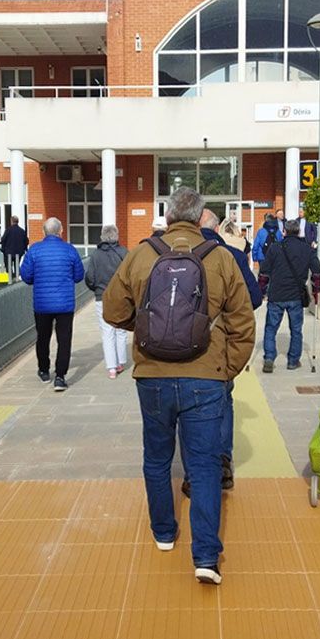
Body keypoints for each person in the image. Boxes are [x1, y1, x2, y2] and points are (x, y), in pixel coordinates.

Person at [103, 187, 254, 586]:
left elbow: (113, 310)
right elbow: (243, 323)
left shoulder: (140, 254)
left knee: (156, 458)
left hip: (152, 377)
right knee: (203, 465)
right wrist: (226, 370)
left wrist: (148, 329)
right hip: (206, 378)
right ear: (203, 217)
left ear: (168, 216)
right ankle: (205, 556)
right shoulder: (220, 258)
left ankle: (164, 533)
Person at [196, 209, 261, 495]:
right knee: (223, 402)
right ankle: (222, 461)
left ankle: (194, 469)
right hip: (220, 350)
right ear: (216, 228)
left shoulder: (172, 254)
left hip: (180, 349)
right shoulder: (231, 256)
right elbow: (255, 298)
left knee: (190, 409)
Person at [20, 217, 84, 392]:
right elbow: (79, 276)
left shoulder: (34, 251)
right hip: (64, 304)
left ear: (43, 231)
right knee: (64, 340)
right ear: (61, 230)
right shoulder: (70, 250)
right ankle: (60, 377)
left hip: (42, 304)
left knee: (43, 337)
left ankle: (43, 370)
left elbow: (26, 276)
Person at [258, 219, 320, 372]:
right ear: (299, 231)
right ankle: (293, 361)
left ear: (284, 231)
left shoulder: (274, 248)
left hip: (276, 294)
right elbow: (317, 272)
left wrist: (261, 291)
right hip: (296, 295)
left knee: (271, 328)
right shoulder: (307, 249)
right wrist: (316, 290)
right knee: (296, 329)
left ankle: (269, 358)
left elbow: (264, 272)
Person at [84, 225, 129, 379]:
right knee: (121, 329)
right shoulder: (124, 252)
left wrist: (96, 288)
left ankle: (111, 368)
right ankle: (121, 362)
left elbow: (89, 277)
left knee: (107, 331)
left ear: (102, 236)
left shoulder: (96, 255)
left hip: (101, 296)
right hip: (121, 296)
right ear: (116, 235)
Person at [0, 215, 29, 280]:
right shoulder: (22, 231)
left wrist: (3, 248)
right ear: (17, 222)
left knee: (9, 265)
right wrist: (25, 248)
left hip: (9, 252)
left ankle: (10, 277)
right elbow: (26, 241)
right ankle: (16, 277)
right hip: (19, 252)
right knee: (16, 264)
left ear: (11, 221)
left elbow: (3, 239)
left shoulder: (8, 230)